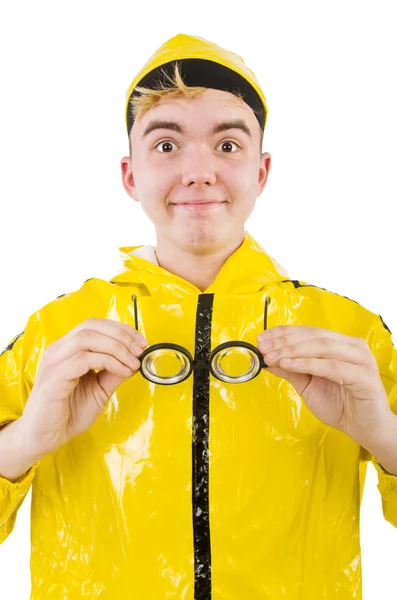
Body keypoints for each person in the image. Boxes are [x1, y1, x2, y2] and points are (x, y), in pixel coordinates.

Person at [0, 32, 396, 599]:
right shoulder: (60, 336)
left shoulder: (346, 336)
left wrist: (384, 437)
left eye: (227, 145)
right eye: (166, 145)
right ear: (130, 175)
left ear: (261, 172)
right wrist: (23, 444)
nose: (199, 172)